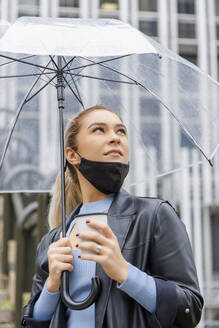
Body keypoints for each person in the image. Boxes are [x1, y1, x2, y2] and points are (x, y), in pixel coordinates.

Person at [21, 104, 203, 328]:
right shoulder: (52, 242)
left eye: (121, 131)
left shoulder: (154, 216)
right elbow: (33, 323)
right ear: (72, 155)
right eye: (99, 129)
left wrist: (124, 272)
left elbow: (190, 309)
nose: (115, 138)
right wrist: (51, 286)